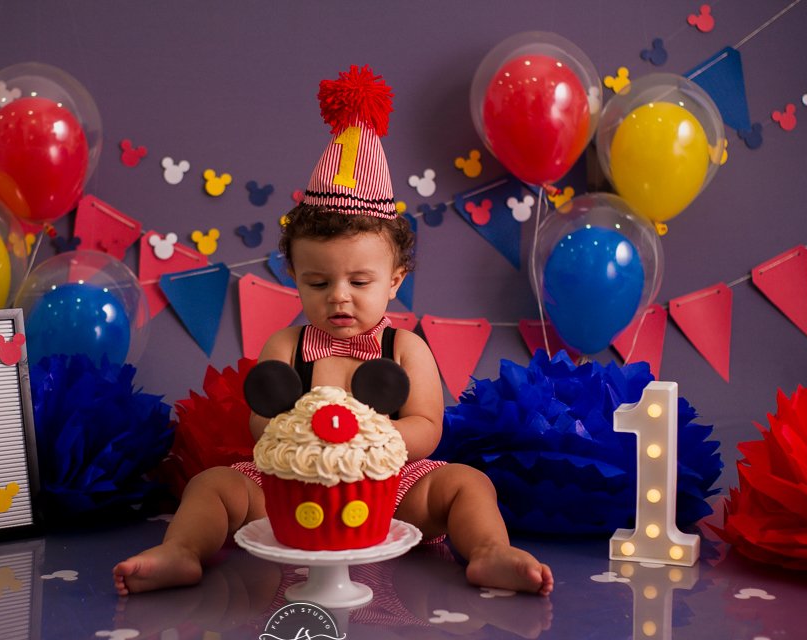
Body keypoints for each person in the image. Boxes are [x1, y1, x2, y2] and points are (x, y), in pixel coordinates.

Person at [114, 65, 553, 597]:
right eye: (318, 281)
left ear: (395, 281)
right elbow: (261, 422)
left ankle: (489, 551)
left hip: (389, 489)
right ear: (294, 278)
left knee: (467, 483)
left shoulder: (405, 348)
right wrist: (297, 441)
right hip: (291, 488)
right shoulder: (287, 346)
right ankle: (180, 551)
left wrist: (374, 443)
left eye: (360, 280)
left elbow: (428, 425)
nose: (338, 295)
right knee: (214, 485)